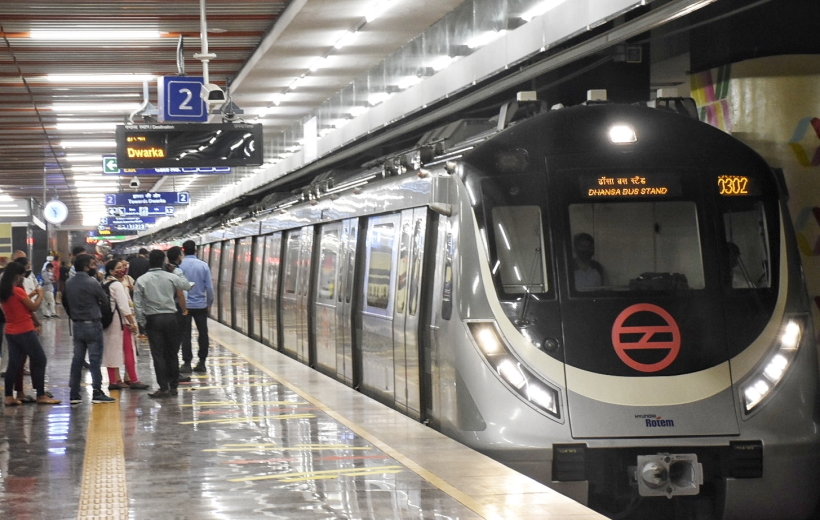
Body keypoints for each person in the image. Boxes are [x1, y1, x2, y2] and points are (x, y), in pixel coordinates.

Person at [133, 250, 191, 398]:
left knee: (158, 354)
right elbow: (186, 286)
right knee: (172, 353)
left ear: (149, 261)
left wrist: (142, 322)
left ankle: (163, 387)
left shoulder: (141, 280)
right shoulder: (171, 276)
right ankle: (174, 386)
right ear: (163, 261)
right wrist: (177, 271)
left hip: (153, 320)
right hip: (171, 318)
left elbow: (137, 305)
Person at [1, 262, 60, 405]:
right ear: (17, 276)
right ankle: (41, 395)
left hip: (10, 330)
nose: (23, 278)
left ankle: (9, 396)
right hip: (25, 330)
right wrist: (39, 295)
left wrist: (31, 294)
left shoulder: (5, 291)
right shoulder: (18, 290)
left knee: (13, 364)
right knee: (40, 359)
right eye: (22, 275)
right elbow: (33, 307)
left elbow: (19, 305)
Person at [63, 253, 115, 404]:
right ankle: (97, 392)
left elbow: (66, 302)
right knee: (95, 359)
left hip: (77, 325)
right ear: (86, 267)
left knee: (77, 359)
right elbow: (105, 300)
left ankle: (74, 394)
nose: (95, 267)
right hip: (92, 324)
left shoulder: (69, 282)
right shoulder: (92, 282)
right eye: (93, 264)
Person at [101, 259, 149, 391]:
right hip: (121, 323)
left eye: (123, 267)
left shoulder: (104, 283)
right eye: (118, 268)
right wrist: (132, 323)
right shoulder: (117, 285)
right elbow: (124, 306)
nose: (122, 270)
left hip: (108, 322)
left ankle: (113, 381)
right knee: (129, 351)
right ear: (111, 271)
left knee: (110, 351)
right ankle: (134, 380)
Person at [178, 240, 214, 374]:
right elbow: (209, 288)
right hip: (200, 306)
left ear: (183, 251)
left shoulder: (180, 267)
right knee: (203, 333)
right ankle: (202, 362)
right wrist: (209, 303)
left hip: (185, 306)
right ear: (195, 250)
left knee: (185, 334)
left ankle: (187, 363)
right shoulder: (203, 266)